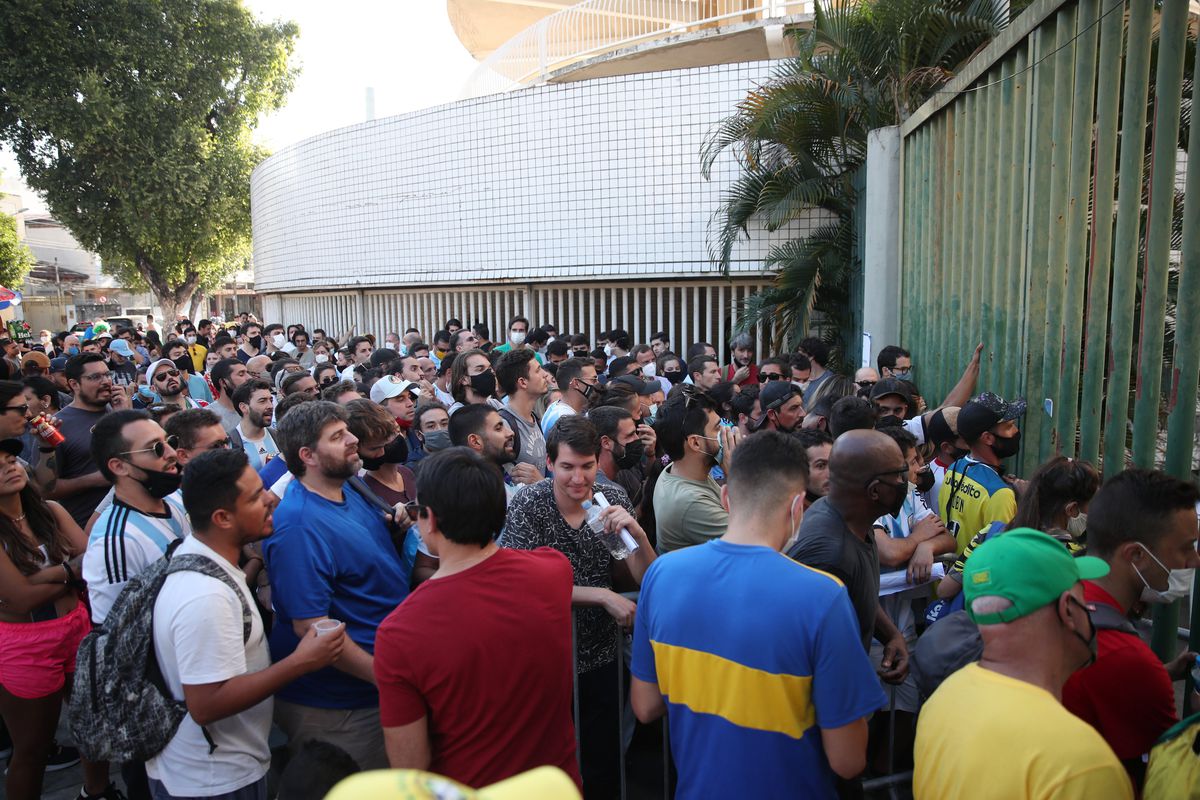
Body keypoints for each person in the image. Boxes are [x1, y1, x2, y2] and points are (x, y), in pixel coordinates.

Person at [631, 432, 883, 797]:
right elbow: (848, 759)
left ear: (726, 498)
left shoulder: (662, 574)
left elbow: (645, 705)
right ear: (797, 507)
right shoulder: (822, 596)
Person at [374, 448, 581, 789]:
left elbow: (410, 770)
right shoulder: (553, 570)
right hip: (557, 788)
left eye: (416, 510)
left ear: (430, 520)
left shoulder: (400, 633)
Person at [149, 449, 345, 800]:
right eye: (255, 496)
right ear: (223, 518)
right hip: (214, 781)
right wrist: (302, 661)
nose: (270, 498)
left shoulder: (209, 561)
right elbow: (206, 705)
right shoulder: (205, 596)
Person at [913, 529, 1133, 800]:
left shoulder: (942, 699)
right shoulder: (1082, 762)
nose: (1090, 610)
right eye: (1084, 600)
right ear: (1067, 609)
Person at [500, 416, 655, 799]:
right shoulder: (529, 504)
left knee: (603, 761)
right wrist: (600, 595)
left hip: (601, 654)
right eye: (567, 466)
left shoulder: (610, 500)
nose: (578, 478)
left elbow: (644, 578)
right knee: (550, 764)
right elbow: (521, 585)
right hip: (546, 658)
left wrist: (637, 535)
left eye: (587, 466)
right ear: (549, 463)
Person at [263, 401, 408, 770]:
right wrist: (388, 680)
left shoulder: (348, 487)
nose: (353, 439)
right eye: (338, 436)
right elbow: (311, 628)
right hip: (341, 708)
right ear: (307, 455)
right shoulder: (298, 525)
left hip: (375, 689)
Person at [1062, 469, 1200, 788]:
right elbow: (1168, 781)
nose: (1195, 559)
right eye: (1186, 547)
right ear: (1136, 554)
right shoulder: (1129, 660)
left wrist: (1161, 673)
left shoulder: (1061, 590)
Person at [0, 439, 117, 800]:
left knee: (94, 724)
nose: (9, 467)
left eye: (11, 459)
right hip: (25, 643)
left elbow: (92, 562)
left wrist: (42, 578)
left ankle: (96, 792)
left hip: (76, 628)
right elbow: (21, 599)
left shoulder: (49, 510)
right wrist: (68, 571)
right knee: (33, 748)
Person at [787, 430, 910, 687]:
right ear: (874, 491)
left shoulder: (851, 516)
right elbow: (806, 656)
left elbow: (856, 592)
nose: (903, 482)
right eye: (898, 475)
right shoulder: (829, 556)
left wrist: (891, 635)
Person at [937, 456, 1100, 605]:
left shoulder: (992, 532)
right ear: (1071, 509)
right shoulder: (1075, 558)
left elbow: (944, 590)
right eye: (1092, 505)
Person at [81, 409, 188, 625]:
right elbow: (117, 633)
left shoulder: (176, 497)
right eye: (156, 448)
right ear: (119, 466)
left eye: (170, 441)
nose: (172, 453)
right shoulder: (115, 543)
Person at [44, 356, 128, 527]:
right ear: (74, 384)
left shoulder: (118, 410)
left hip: (132, 517)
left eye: (107, 375)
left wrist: (124, 416)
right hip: (89, 527)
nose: (106, 381)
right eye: (95, 377)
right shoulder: (57, 426)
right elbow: (46, 489)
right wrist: (94, 479)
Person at [652, 388, 738, 553]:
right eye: (717, 428)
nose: (726, 431)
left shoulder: (679, 469)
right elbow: (757, 543)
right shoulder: (690, 502)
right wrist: (737, 475)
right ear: (695, 443)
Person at [938, 392, 1025, 551]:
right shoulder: (1000, 494)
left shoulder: (954, 469)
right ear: (987, 438)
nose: (1015, 431)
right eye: (1009, 426)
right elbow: (1002, 553)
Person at [447, 403, 531, 503]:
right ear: (475, 441)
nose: (510, 432)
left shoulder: (505, 474)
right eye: (498, 428)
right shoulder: (476, 495)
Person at [494, 349, 549, 478]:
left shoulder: (534, 417)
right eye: (538, 370)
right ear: (523, 382)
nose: (545, 374)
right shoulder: (505, 425)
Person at [230, 380, 279, 471]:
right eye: (262, 401)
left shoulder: (277, 436)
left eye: (271, 400)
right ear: (244, 407)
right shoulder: (230, 444)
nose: (270, 406)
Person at [541, 357, 598, 435]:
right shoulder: (566, 421)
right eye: (593, 380)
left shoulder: (556, 407)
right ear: (576, 383)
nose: (598, 383)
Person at [209, 358, 252, 435]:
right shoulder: (209, 416)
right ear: (223, 382)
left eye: (247, 373)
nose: (249, 378)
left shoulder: (255, 408)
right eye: (241, 374)